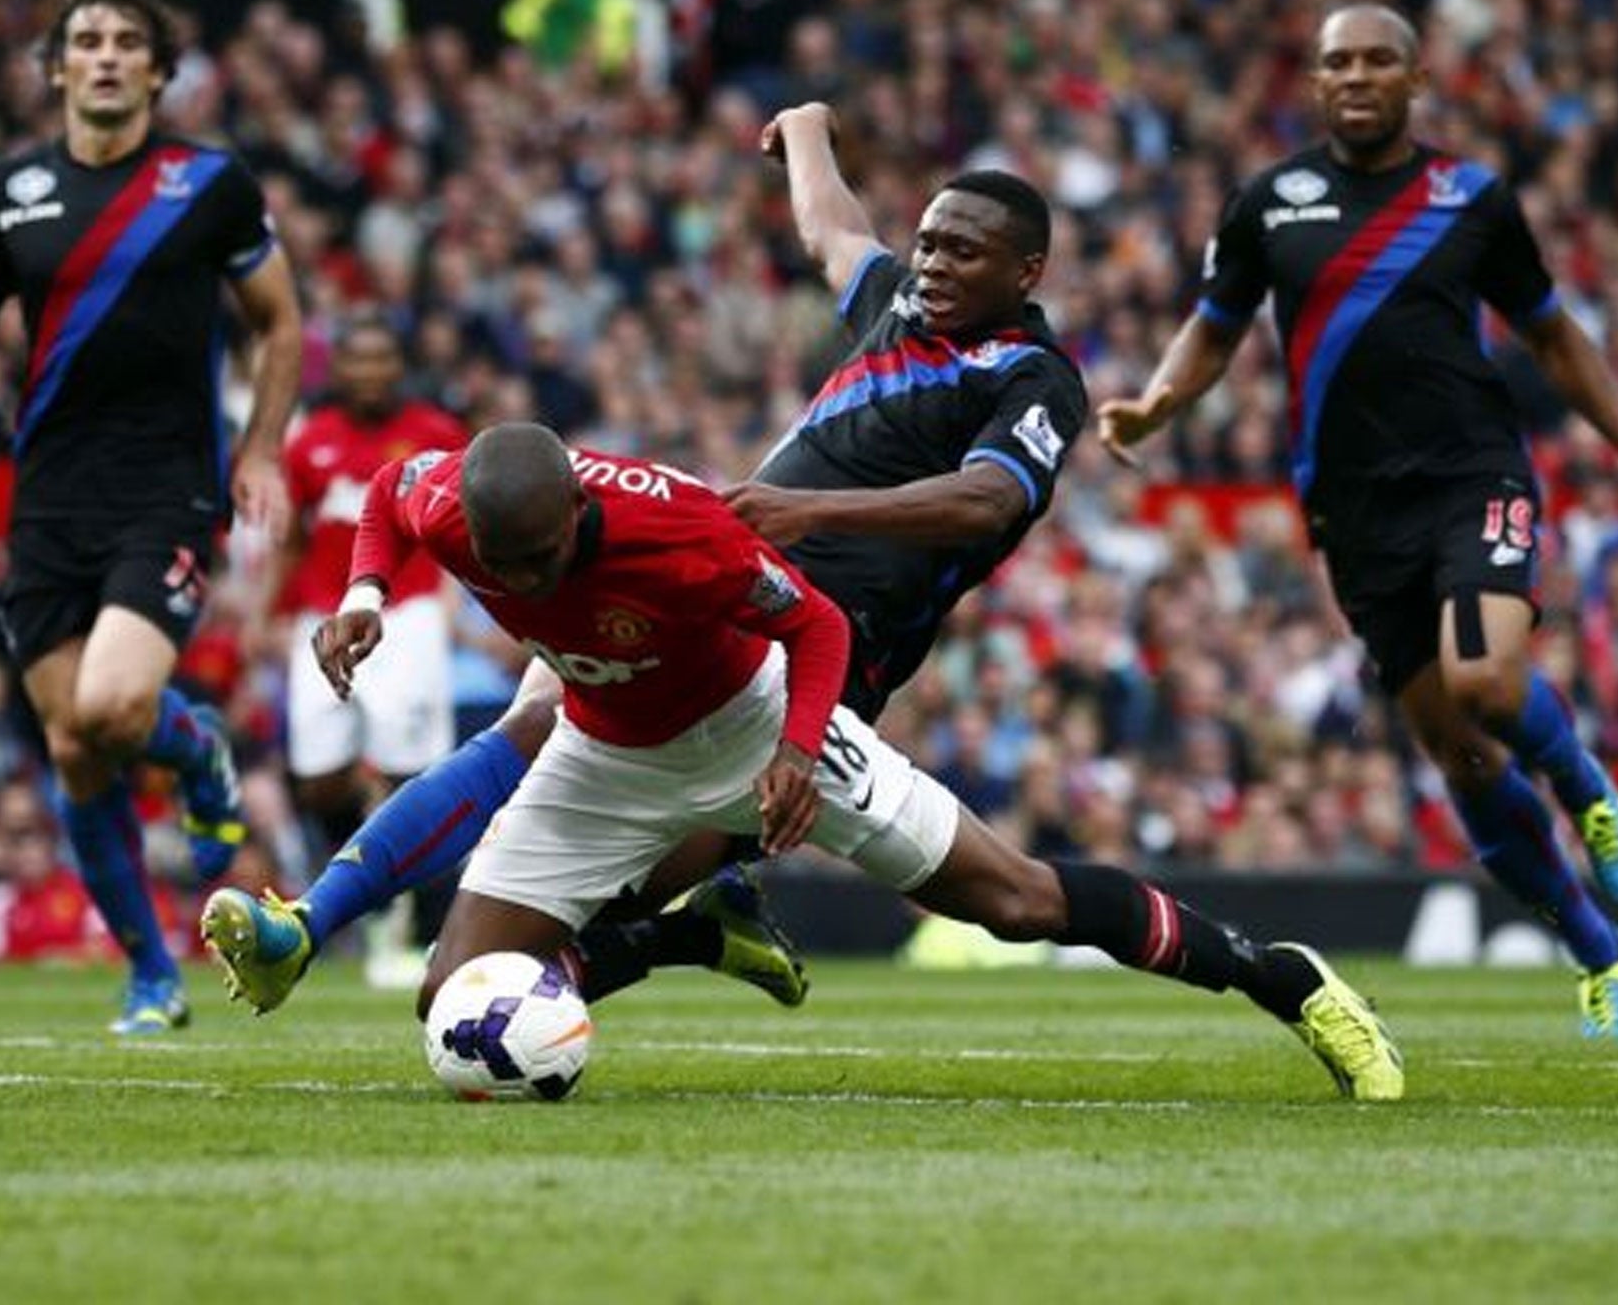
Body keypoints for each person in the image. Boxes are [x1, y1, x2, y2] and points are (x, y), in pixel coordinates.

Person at [202, 107, 1094, 1012]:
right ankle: (331, 925)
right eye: (930, 246)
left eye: (959, 252)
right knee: (551, 749)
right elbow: (834, 230)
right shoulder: (900, 307)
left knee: (625, 827)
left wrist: (812, 509)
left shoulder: (1028, 377)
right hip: (730, 585)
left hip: (827, 630)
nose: (933, 266)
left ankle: (665, 926)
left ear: (1023, 271)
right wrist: (814, 130)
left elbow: (987, 498)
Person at [275, 424, 1405, 1099]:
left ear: (577, 504)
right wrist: (366, 592)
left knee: (1015, 902)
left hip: (757, 725)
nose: (521, 585)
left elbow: (815, 625)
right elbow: (386, 494)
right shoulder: (456, 503)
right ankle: (689, 932)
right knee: (448, 1002)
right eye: (502, 566)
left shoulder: (680, 532)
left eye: (541, 558)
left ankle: (1279, 977)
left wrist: (801, 752)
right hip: (602, 753)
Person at [1097, 3, 1618, 1039]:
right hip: (1352, 506)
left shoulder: (1469, 198)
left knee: (1486, 683)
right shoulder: (1265, 205)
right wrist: (1156, 404)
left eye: (1378, 60)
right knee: (1458, 755)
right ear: (1315, 81)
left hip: (1472, 473)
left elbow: (1555, 341)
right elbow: (1212, 328)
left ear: (1415, 79)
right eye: (1337, 62)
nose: (1356, 76)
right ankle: (1598, 954)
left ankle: (1580, 782)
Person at [0, 0, 304, 1035]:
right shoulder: (8, 191)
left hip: (168, 492)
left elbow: (279, 322)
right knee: (76, 750)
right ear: (56, 66)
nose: (102, 55)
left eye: (124, 41)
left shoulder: (207, 183)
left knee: (110, 710)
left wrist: (262, 445)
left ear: (156, 68)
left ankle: (197, 750)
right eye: (84, 39)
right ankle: (150, 972)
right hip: (47, 500)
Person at [259, 311, 466, 982]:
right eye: (358, 360)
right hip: (322, 615)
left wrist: (459, 609)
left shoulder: (434, 435)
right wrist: (265, 611)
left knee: (414, 774)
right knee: (318, 777)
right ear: (338, 368)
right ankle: (372, 896)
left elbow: (463, 529)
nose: (370, 372)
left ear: (398, 367)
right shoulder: (309, 442)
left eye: (382, 360)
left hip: (406, 619)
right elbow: (293, 538)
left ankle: (421, 923)